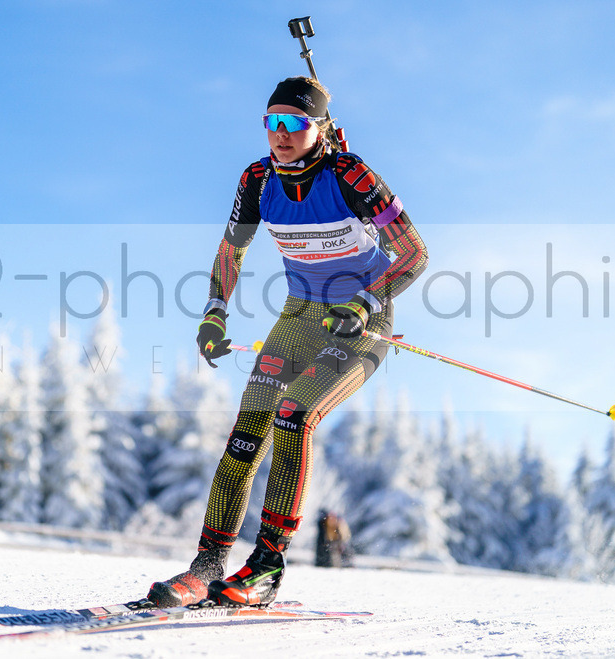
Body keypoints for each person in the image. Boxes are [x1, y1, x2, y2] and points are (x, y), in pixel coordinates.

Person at [147, 76, 428, 608]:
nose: (279, 134)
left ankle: (266, 567)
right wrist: (214, 312)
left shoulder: (350, 174)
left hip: (360, 322)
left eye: (293, 123)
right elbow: (232, 249)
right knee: (249, 425)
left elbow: (413, 253)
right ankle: (207, 566)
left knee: (295, 413)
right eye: (271, 121)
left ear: (318, 127)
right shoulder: (256, 179)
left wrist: (366, 302)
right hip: (298, 317)